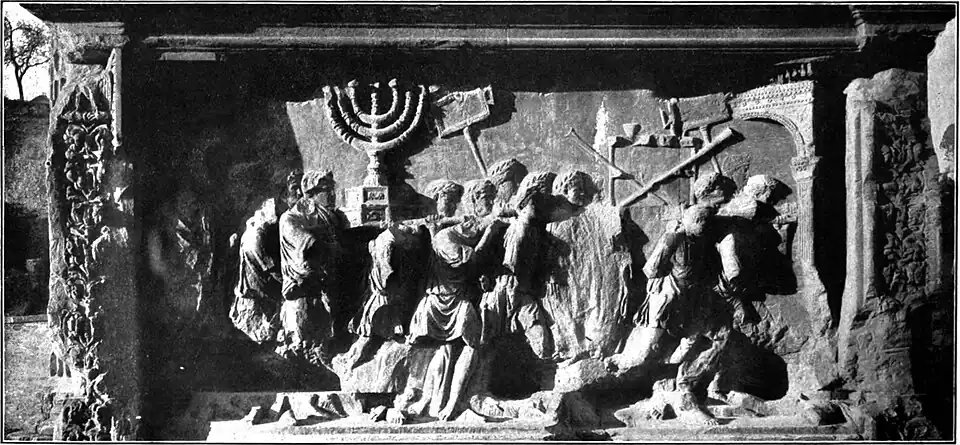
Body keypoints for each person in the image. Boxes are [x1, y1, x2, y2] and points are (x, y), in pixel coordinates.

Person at [407, 218, 505, 421]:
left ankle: (433, 401)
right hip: (450, 303)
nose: (468, 228)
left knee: (446, 351)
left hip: (443, 300)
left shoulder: (440, 237)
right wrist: (490, 233)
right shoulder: (448, 241)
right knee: (470, 347)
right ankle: (450, 403)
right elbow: (474, 258)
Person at [278, 170, 344, 358]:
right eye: (326, 190)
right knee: (306, 345)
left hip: (326, 285)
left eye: (332, 189)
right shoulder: (291, 218)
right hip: (303, 290)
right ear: (311, 194)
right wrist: (336, 248)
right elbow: (311, 245)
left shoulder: (329, 215)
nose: (332, 194)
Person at [230, 198, 285, 343]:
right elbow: (270, 267)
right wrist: (288, 283)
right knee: (261, 332)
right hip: (256, 290)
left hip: (250, 286)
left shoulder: (250, 232)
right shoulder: (257, 237)